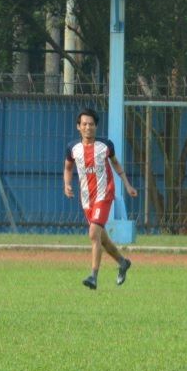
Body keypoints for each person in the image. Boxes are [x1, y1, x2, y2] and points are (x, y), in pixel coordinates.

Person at [64, 108, 138, 290]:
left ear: (96, 127)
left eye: (91, 124)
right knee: (101, 238)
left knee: (93, 233)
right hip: (86, 198)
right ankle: (122, 262)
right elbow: (67, 168)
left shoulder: (105, 146)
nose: (88, 127)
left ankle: (93, 276)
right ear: (78, 127)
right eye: (84, 124)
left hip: (104, 194)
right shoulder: (72, 148)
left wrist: (127, 185)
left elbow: (116, 164)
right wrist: (66, 184)